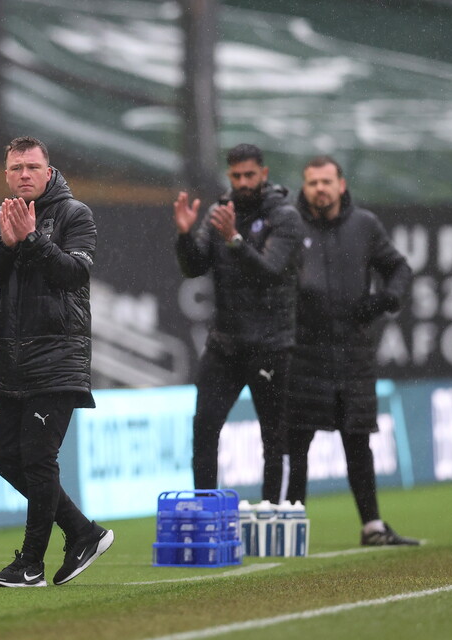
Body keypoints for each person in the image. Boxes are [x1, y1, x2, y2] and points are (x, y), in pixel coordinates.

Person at [0, 136, 113, 588]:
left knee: (36, 457)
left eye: (32, 166)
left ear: (49, 172)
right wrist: (8, 245)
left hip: (58, 359)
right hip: (9, 362)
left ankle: (31, 563)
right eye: (16, 168)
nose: (25, 174)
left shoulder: (75, 214)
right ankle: (81, 531)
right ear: (6, 175)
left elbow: (74, 273)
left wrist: (30, 240)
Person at [284, 155, 419, 546]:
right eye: (312, 183)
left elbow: (400, 268)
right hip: (304, 351)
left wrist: (385, 298)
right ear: (304, 187)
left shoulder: (365, 225)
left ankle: (372, 527)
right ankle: (292, 528)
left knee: (357, 440)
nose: (320, 189)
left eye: (326, 182)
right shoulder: (290, 225)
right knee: (298, 444)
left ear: (341, 184)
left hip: (352, 352)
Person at [173, 143, 303, 502]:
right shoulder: (219, 212)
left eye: (250, 175)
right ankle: (205, 511)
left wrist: (234, 239)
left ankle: (271, 513)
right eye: (236, 176)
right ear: (228, 176)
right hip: (226, 345)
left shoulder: (285, 216)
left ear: (264, 174)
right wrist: (184, 236)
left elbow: (270, 271)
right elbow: (194, 267)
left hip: (270, 346)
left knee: (273, 439)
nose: (243, 182)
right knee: (204, 429)